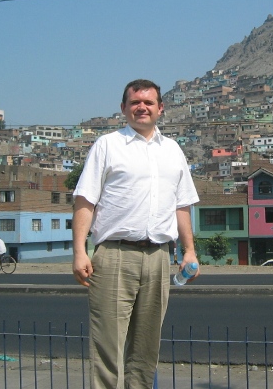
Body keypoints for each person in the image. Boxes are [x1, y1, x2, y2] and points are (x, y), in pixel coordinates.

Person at [72, 79, 200, 389]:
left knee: (146, 348)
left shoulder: (173, 150)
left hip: (158, 257)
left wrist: (189, 251)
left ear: (160, 108)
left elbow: (182, 205)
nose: (142, 107)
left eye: (148, 102)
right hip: (115, 255)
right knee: (109, 347)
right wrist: (79, 251)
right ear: (124, 108)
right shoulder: (107, 145)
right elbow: (85, 201)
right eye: (135, 102)